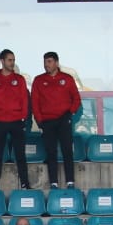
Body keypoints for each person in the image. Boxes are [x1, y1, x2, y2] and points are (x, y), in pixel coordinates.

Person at [31, 52, 80, 189]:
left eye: (50, 61)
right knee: (51, 152)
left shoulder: (67, 78)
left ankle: (70, 181)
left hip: (64, 119)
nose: (47, 64)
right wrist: (39, 120)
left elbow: (76, 99)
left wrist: (70, 113)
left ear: (57, 63)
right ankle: (54, 182)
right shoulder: (38, 80)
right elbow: (35, 102)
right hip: (47, 121)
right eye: (45, 62)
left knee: (67, 150)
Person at [0, 49, 31, 190]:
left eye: (13, 60)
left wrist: (23, 117)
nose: (12, 63)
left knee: (20, 155)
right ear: (2, 61)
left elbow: (24, 100)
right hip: (0, 122)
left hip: (17, 121)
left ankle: (25, 185)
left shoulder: (20, 79)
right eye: (10, 60)